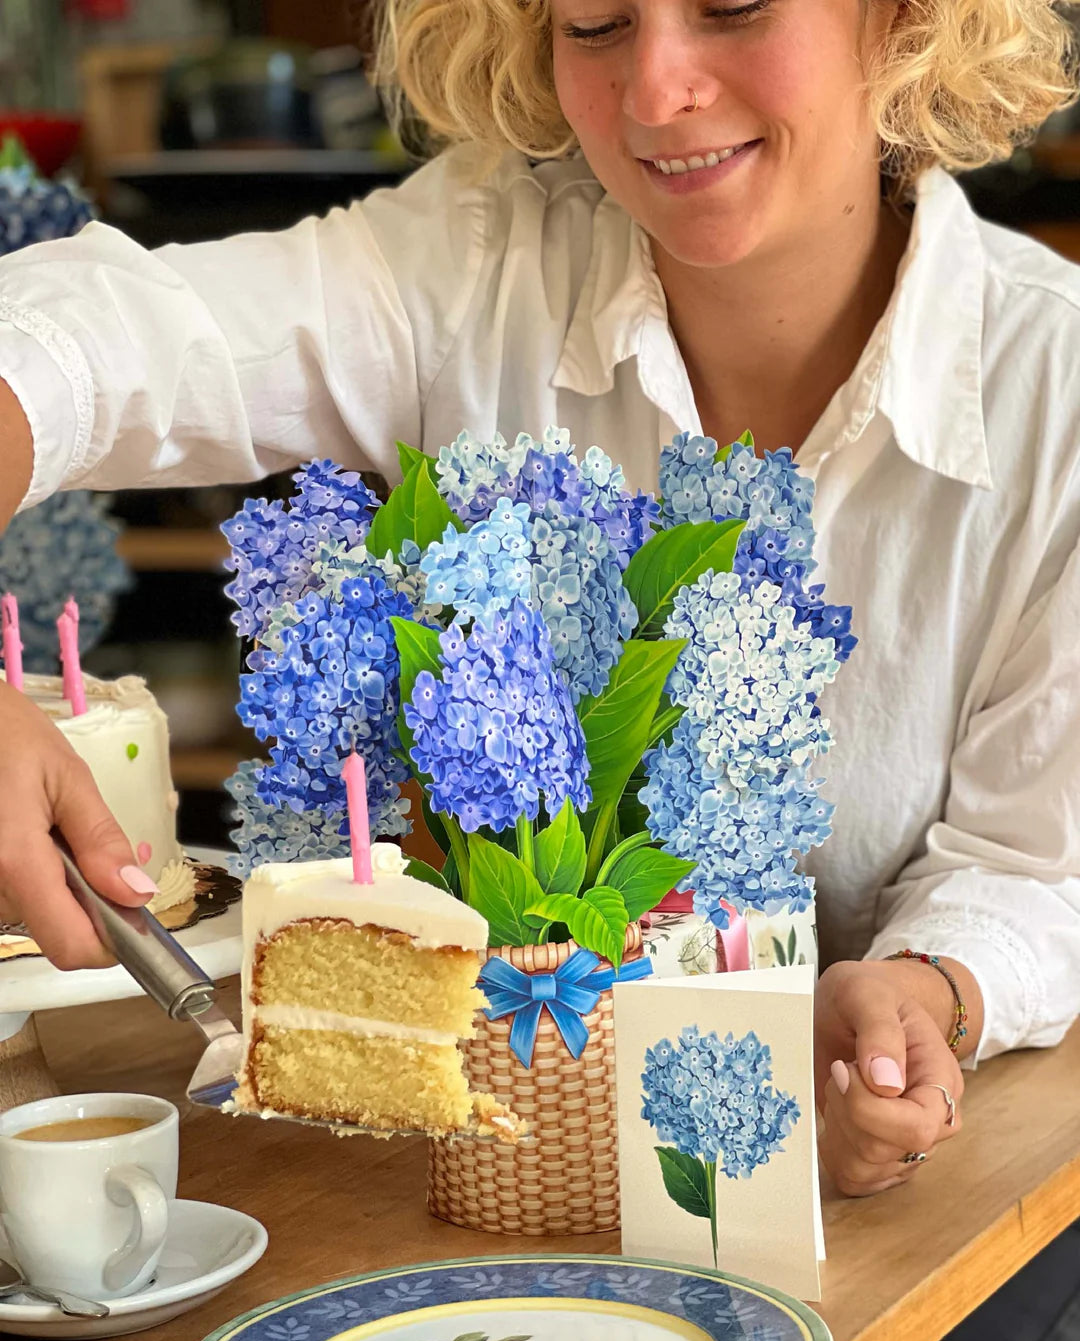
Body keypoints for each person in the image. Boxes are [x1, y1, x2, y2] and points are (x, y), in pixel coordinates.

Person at [0, 0, 1077, 1211]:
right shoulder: (475, 260)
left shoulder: (1056, 393)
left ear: (907, 16)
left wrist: (925, 991)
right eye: (596, 23)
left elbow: (1035, 867)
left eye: (733, 7)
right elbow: (102, 337)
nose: (657, 89)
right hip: (503, 1184)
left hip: (931, 1223)